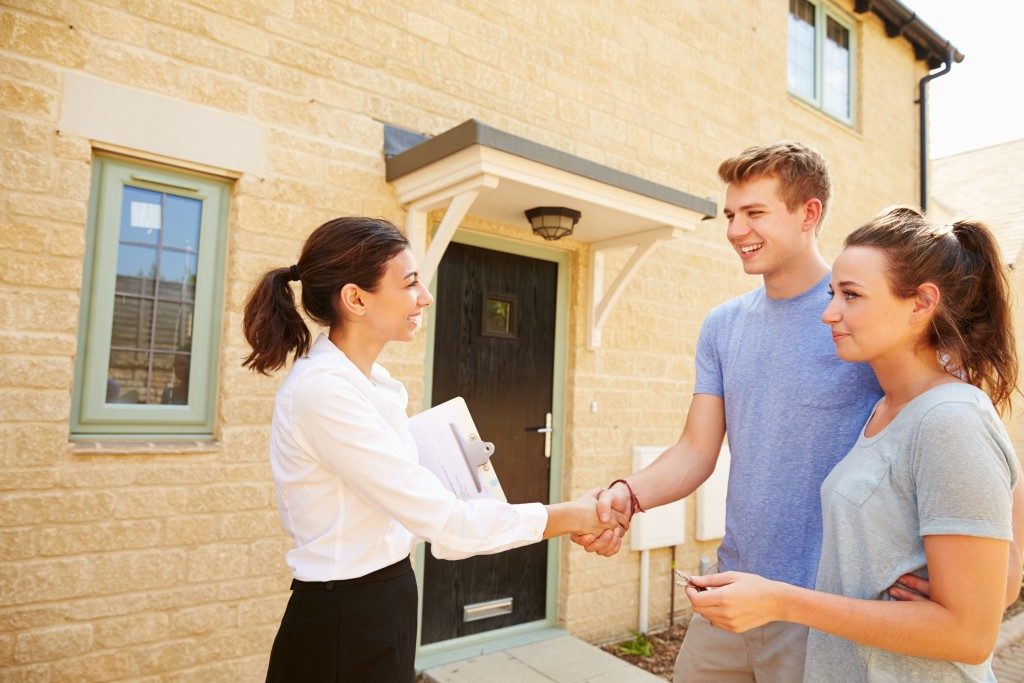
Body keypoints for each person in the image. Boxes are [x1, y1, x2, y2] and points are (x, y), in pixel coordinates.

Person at [572, 142, 1024, 681]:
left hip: (827, 608)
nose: (736, 229)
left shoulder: (875, 314)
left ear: (809, 213)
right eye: (730, 214)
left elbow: (974, 439)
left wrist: (1000, 580)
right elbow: (696, 450)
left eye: (755, 212)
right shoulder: (726, 326)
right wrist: (627, 495)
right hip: (732, 590)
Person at [242, 216, 623, 682]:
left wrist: (463, 471)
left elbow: (415, 506)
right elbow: (447, 524)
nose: (425, 297)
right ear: (356, 299)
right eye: (410, 284)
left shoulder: (371, 385)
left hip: (385, 598)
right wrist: (574, 516)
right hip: (344, 619)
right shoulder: (325, 393)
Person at [684, 207, 1018, 681]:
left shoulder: (950, 418)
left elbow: (969, 636)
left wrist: (780, 600)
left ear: (922, 303)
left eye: (852, 295)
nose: (828, 313)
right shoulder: (888, 409)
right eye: (832, 292)